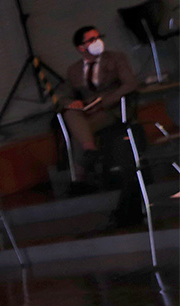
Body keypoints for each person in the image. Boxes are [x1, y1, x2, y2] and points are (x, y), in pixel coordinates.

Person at [62, 25, 140, 188]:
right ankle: (90, 149)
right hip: (88, 110)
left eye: (99, 37)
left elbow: (130, 84)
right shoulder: (73, 70)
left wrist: (105, 101)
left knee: (79, 132)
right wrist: (72, 103)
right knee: (70, 113)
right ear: (81, 48)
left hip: (111, 108)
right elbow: (64, 96)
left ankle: (80, 177)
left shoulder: (116, 58)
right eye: (92, 40)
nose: (98, 42)